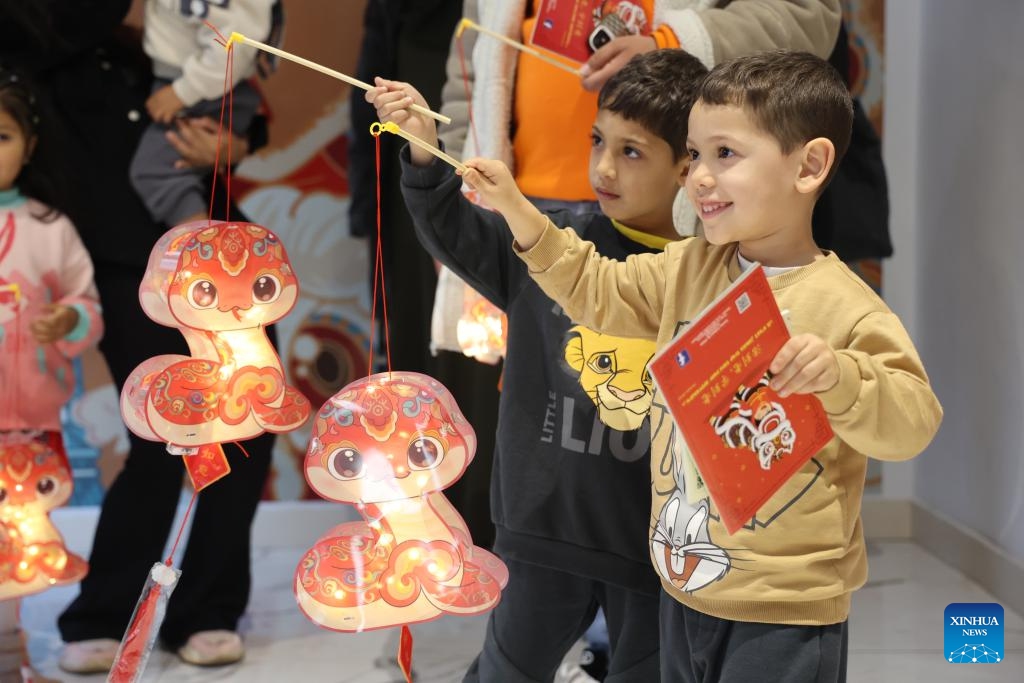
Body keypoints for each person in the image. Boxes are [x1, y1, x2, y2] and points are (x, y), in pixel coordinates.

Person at [454, 51, 943, 682]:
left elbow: (913, 423)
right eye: (693, 156)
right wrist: (519, 211)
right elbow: (597, 288)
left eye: (725, 155)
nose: (697, 178)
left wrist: (842, 378)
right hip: (683, 586)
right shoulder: (691, 268)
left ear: (810, 165)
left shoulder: (845, 306)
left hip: (784, 610)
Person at [370, 48, 709, 682]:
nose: (604, 167)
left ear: (688, 167)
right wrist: (422, 148)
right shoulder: (544, 237)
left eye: (632, 152)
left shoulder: (710, 276)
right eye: (598, 140)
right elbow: (451, 226)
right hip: (540, 531)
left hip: (655, 549)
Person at [0, 0, 276, 672]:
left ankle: (208, 609)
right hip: (121, 261)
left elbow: (242, 93)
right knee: (161, 429)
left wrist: (239, 142)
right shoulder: (34, 40)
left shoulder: (144, 43)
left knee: (246, 421)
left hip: (217, 255)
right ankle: (104, 611)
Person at [0, 68, 103, 683]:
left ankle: (12, 655)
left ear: (29, 146)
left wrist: (66, 319)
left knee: (20, 548)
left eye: (2, 136)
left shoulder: (48, 226)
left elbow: (88, 306)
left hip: (31, 422)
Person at [128, 0, 278, 226]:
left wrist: (184, 91)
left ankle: (202, 253)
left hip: (203, 87)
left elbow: (236, 40)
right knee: (165, 170)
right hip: (193, 81)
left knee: (158, 172)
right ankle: (202, 249)